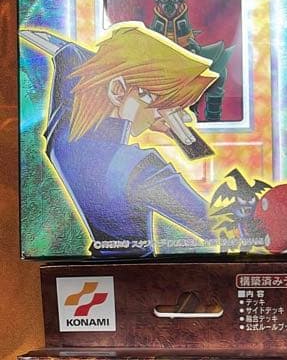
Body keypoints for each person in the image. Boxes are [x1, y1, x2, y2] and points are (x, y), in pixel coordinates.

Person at [22, 23, 219, 256]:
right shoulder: (139, 169)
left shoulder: (63, 131)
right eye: (162, 102)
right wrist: (188, 140)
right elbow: (219, 227)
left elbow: (70, 57)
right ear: (117, 90)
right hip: (141, 270)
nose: (179, 115)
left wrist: (156, 113)